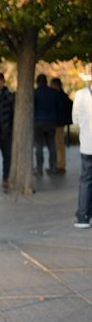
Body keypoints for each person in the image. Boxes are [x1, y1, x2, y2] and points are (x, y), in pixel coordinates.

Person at [73, 83, 92, 229]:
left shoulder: (80, 95)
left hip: (87, 143)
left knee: (86, 180)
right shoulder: (80, 94)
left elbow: (76, 119)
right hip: (87, 144)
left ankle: (83, 216)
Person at [34, 73, 60, 176]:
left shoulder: (35, 92)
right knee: (52, 145)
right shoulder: (53, 92)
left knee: (39, 146)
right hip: (51, 121)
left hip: (38, 121)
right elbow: (57, 106)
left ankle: (39, 169)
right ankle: (53, 167)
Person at [51, 77, 73, 174]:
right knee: (58, 144)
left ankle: (60, 165)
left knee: (59, 144)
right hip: (58, 122)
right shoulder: (61, 96)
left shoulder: (60, 96)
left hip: (58, 123)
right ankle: (58, 164)